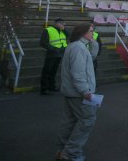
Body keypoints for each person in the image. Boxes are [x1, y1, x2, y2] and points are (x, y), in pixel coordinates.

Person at [55, 23, 98, 161]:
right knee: (87, 120)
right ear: (82, 32)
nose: (93, 33)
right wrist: (85, 91)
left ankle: (62, 150)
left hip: (71, 92)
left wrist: (94, 44)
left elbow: (91, 57)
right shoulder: (79, 48)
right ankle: (70, 152)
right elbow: (78, 73)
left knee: (69, 121)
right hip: (79, 93)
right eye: (91, 31)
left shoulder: (75, 46)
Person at [40, 18, 68, 95]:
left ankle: (52, 86)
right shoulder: (48, 30)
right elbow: (43, 43)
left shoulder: (63, 31)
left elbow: (69, 36)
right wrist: (54, 49)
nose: (63, 24)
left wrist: (64, 30)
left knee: (53, 71)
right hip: (52, 54)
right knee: (47, 71)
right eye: (61, 23)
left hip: (60, 53)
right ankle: (44, 88)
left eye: (63, 23)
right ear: (56, 23)